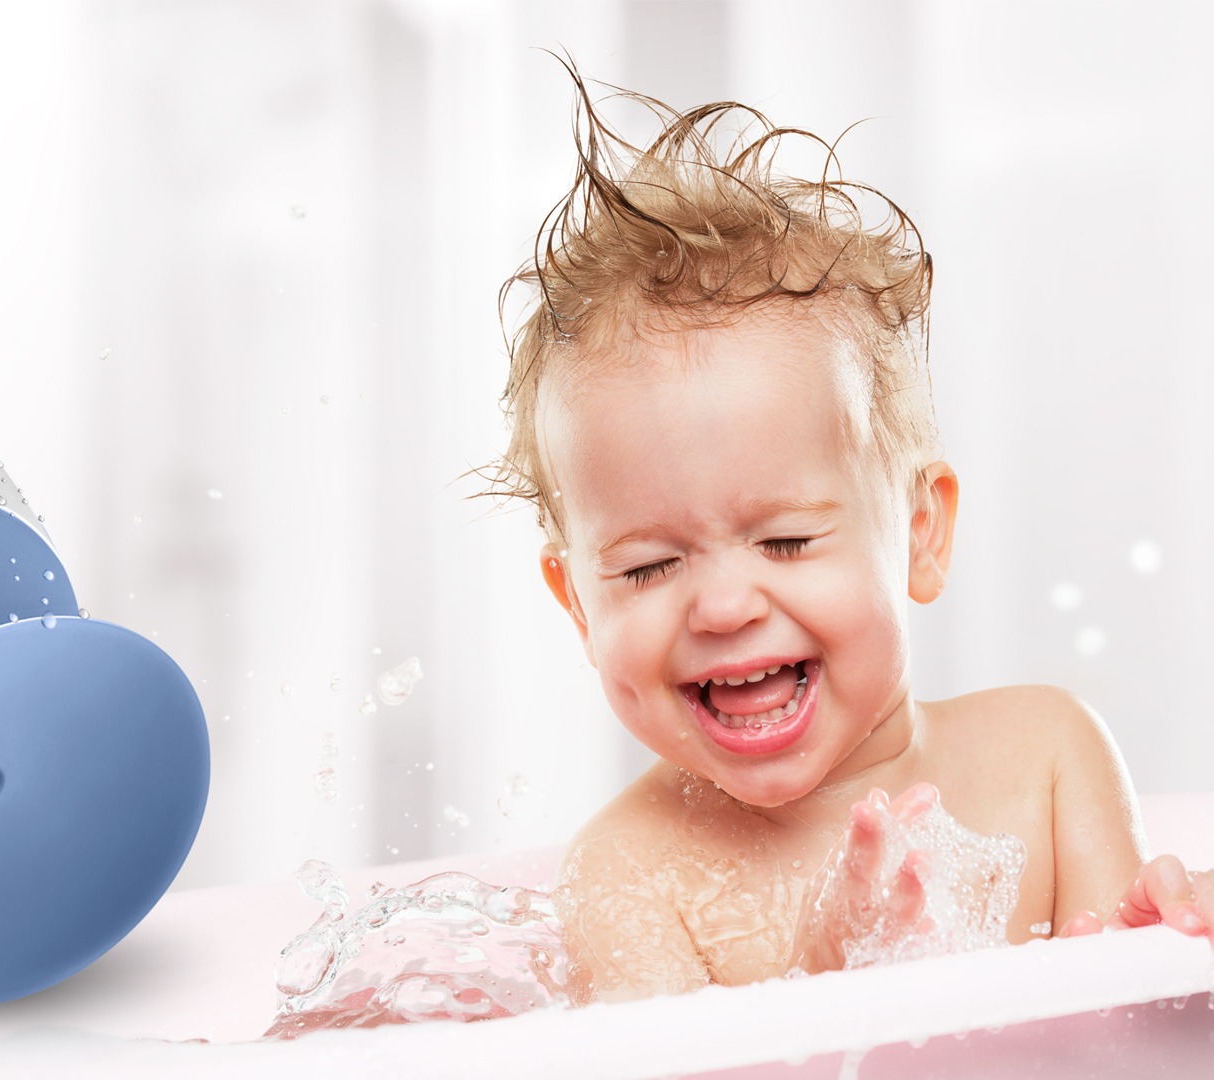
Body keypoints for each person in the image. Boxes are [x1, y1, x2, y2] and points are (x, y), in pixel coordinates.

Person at [485, 70, 1213, 1003]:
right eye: (648, 566)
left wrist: (1167, 944)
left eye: (784, 542)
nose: (721, 604)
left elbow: (1124, 1046)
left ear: (920, 532)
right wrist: (829, 983)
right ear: (578, 605)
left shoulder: (1047, 760)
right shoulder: (630, 879)